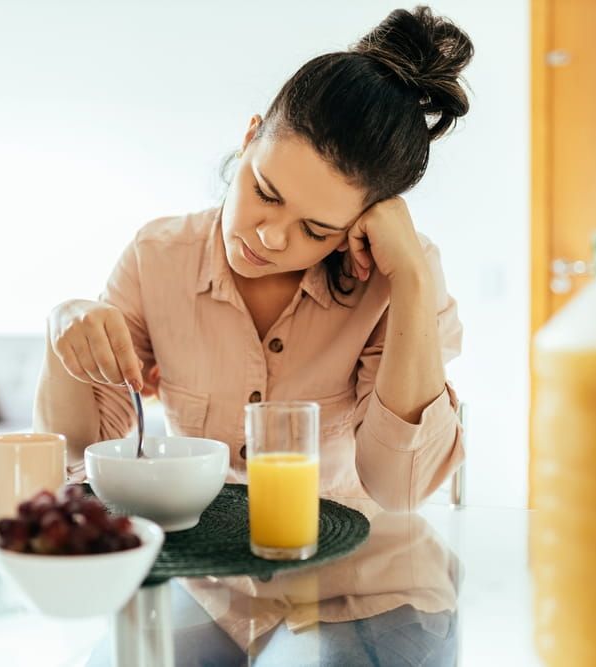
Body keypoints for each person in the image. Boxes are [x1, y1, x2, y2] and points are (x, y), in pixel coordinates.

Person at [34, 5, 471, 513]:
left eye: (316, 229)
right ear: (248, 139)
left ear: (363, 222)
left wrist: (412, 281)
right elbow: (75, 457)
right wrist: (61, 325)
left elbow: (401, 489)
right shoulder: (157, 257)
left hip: (356, 577)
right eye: (265, 192)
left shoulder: (396, 278)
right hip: (205, 574)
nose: (271, 238)